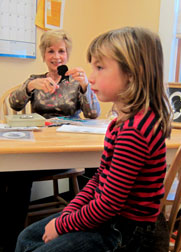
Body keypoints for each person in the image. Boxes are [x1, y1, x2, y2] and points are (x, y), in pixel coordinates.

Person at [15, 26, 172, 252]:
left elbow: (108, 204)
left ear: (132, 73)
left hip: (129, 232)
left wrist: (62, 224)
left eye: (100, 67)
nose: (92, 76)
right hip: (110, 217)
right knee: (27, 237)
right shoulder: (120, 122)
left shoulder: (135, 130)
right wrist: (69, 214)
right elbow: (100, 178)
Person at [0, 29, 100, 252]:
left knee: (97, 169)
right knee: (13, 174)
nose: (56, 56)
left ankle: (84, 228)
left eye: (61, 51)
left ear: (67, 54)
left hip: (67, 149)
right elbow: (15, 105)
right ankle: (10, 239)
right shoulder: (36, 80)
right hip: (38, 149)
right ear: (44, 55)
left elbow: (93, 114)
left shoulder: (75, 81)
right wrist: (29, 87)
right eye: (51, 51)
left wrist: (86, 87)